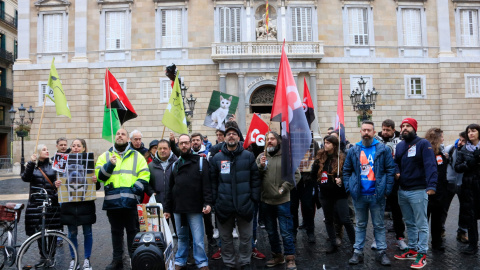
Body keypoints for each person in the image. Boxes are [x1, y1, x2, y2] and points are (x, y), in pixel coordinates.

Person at [95, 128, 150, 270]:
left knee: (133, 231)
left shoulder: (137, 156)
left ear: (128, 139)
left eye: (123, 134)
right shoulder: (105, 156)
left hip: (131, 202)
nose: (120, 136)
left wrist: (134, 190)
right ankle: (117, 259)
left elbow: (144, 175)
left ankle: (134, 259)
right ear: (115, 137)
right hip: (113, 202)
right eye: (118, 134)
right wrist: (110, 165)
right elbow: (100, 177)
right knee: (116, 232)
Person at [343, 121, 395, 266]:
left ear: (373, 132)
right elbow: (346, 171)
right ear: (360, 131)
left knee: (379, 225)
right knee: (360, 224)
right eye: (364, 130)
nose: (366, 132)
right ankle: (357, 252)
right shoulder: (354, 150)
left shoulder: (382, 149)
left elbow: (390, 170)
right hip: (359, 195)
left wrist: (387, 190)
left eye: (369, 130)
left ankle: (382, 252)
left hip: (377, 195)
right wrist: (350, 188)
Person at [210, 126, 261, 269]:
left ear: (239, 138)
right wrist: (215, 201)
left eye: (234, 134)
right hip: (224, 205)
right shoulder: (217, 158)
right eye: (228, 134)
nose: (231, 136)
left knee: (246, 238)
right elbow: (213, 181)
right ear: (224, 138)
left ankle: (245, 262)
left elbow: (255, 179)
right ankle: (229, 263)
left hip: (245, 205)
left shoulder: (248, 156)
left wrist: (253, 200)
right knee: (225, 239)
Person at [393, 118, 437, 269]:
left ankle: (422, 254)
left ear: (414, 128)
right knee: (409, 222)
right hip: (403, 190)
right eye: (403, 126)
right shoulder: (399, 146)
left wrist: (432, 185)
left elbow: (431, 165)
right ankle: (412, 249)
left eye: (408, 126)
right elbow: (395, 162)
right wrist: (397, 171)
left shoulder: (423, 144)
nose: (404, 128)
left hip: (418, 190)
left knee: (421, 224)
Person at [164, 134, 212, 270]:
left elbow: (207, 186)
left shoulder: (201, 162)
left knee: (198, 240)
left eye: (186, 143)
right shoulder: (174, 165)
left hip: (195, 208)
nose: (184, 145)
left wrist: (208, 203)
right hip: (178, 208)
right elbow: (170, 189)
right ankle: (180, 260)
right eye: (181, 143)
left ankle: (202, 262)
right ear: (178, 145)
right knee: (181, 238)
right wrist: (167, 209)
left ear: (191, 144)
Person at [256, 131, 300, 270]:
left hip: (283, 201)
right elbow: (255, 176)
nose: (269, 141)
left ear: (278, 141)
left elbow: (296, 175)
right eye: (267, 139)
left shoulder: (286, 157)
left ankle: (290, 258)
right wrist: (260, 167)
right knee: (271, 232)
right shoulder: (261, 156)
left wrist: (284, 188)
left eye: (272, 139)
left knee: (286, 231)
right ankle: (277, 256)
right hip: (266, 201)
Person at [55, 139, 100, 270]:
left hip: (85, 203)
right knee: (71, 233)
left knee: (88, 232)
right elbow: (57, 181)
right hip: (69, 204)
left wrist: (95, 181)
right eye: (73, 146)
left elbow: (95, 187)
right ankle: (74, 259)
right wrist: (56, 184)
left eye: (78, 146)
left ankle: (87, 259)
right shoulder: (62, 161)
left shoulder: (90, 162)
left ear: (84, 148)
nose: (75, 148)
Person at [311, 135, 355, 254]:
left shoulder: (342, 158)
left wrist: (341, 179)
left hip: (339, 194)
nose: (326, 145)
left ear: (334, 145)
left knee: (345, 219)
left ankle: (355, 245)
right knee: (329, 220)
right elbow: (313, 174)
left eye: (328, 143)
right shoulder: (320, 158)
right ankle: (333, 244)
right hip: (325, 194)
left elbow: (348, 173)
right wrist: (318, 183)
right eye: (325, 142)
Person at [21, 144, 62, 268]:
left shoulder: (53, 166)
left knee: (53, 232)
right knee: (40, 232)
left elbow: (56, 184)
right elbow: (25, 178)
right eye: (44, 150)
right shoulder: (32, 166)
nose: (47, 151)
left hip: (51, 203)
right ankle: (43, 257)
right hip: (36, 204)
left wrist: (57, 184)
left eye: (47, 149)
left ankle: (51, 256)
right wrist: (31, 163)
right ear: (38, 153)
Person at [375, 119, 407, 250]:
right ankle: (377, 239)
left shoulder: (401, 141)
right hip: (379, 179)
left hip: (395, 180)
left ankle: (400, 237)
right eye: (383, 129)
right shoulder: (376, 140)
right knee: (377, 210)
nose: (385, 132)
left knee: (397, 211)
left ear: (393, 130)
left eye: (388, 130)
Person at [455, 123, 480, 255]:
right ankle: (472, 244)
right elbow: (457, 167)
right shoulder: (464, 149)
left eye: (474, 131)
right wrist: (469, 163)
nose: (471, 133)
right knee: (471, 216)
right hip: (469, 186)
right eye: (469, 131)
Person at [146, 139, 178, 236]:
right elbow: (145, 182)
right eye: (160, 148)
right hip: (158, 202)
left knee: (179, 231)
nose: (162, 150)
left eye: (165, 148)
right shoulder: (150, 166)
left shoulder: (177, 163)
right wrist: (151, 192)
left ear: (170, 149)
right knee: (159, 233)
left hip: (175, 202)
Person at [291, 134, 319, 243]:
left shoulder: (313, 143)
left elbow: (317, 158)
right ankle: (293, 231)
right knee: (293, 206)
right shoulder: (289, 142)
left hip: (308, 180)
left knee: (308, 206)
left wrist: (313, 166)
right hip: (293, 180)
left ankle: (310, 231)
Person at [424, 128, 448, 251]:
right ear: (437, 138)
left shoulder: (440, 153)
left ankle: (436, 242)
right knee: (424, 219)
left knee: (437, 219)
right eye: (442, 137)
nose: (443, 139)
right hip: (428, 191)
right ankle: (422, 244)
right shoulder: (427, 152)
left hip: (440, 192)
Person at [444, 132, 468, 243]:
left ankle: (462, 232)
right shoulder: (450, 149)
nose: (460, 143)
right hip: (449, 181)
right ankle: (440, 230)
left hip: (463, 183)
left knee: (464, 208)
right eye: (460, 140)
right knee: (444, 207)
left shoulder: (470, 151)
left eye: (463, 141)